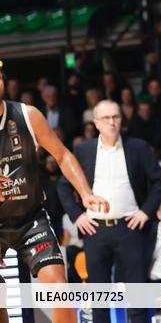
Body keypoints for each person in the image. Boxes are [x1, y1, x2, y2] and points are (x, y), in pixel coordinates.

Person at [0, 64, 110, 323]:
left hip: (30, 219)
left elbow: (62, 155)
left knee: (60, 289)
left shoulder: (27, 115)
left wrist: (85, 193)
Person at [57, 100, 161, 323]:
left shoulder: (138, 147)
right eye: (106, 118)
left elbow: (160, 182)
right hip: (95, 229)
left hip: (130, 227)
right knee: (99, 297)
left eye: (116, 117)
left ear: (121, 120)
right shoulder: (83, 149)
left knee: (137, 295)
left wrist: (146, 211)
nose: (112, 122)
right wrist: (77, 216)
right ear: (96, 123)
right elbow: (63, 185)